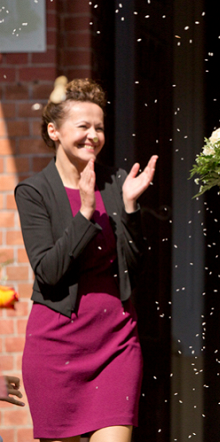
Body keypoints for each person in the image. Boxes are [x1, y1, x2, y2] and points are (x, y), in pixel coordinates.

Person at [15, 78, 158, 442]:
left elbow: (135, 270)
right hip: (57, 346)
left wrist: (128, 208)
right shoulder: (34, 192)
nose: (93, 135)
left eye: (99, 127)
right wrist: (85, 215)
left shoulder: (117, 182)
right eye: (83, 126)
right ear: (55, 131)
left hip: (116, 343)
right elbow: (48, 272)